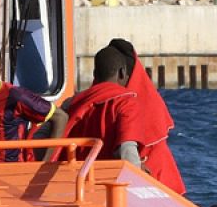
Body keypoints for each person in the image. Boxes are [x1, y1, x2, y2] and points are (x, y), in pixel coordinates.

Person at [62, 45, 166, 177]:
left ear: (95, 74)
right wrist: (138, 172)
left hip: (73, 180)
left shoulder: (71, 103)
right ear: (122, 73)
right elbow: (126, 151)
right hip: (106, 183)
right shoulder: (126, 103)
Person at [0, 44, 66, 163]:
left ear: (0, 70)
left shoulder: (16, 96)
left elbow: (61, 117)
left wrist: (47, 162)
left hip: (8, 171)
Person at [105, 38, 186, 193]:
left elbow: (127, 149)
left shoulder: (126, 104)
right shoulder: (147, 102)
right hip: (161, 183)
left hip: (149, 185)